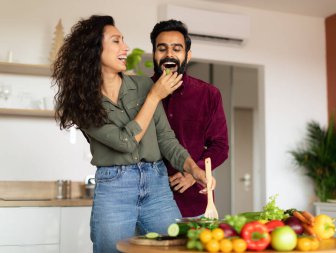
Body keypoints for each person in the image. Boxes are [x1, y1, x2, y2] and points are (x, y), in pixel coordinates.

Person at [52, 15, 215, 253]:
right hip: (114, 189)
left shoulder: (143, 86)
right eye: (116, 41)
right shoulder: (84, 104)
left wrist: (193, 168)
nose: (125, 47)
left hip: (157, 186)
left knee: (178, 249)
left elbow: (167, 140)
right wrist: (154, 98)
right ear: (94, 50)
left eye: (123, 41)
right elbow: (125, 142)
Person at [150, 20, 229, 218]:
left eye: (177, 49)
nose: (169, 54)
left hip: (193, 203)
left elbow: (220, 146)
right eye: (162, 48)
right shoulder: (138, 92)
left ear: (187, 55)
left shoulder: (209, 94)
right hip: (146, 201)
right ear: (154, 54)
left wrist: (194, 172)